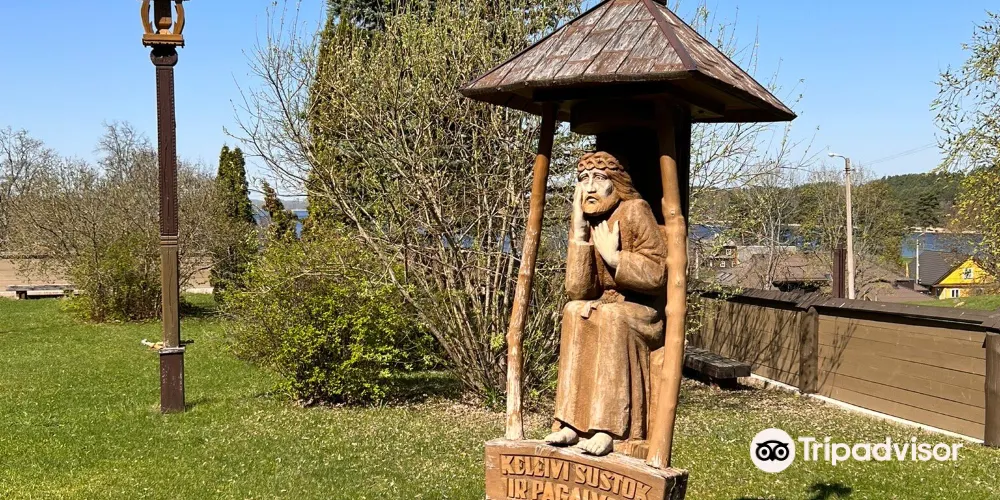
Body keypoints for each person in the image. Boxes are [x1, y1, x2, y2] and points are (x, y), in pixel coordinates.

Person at [544, 151, 667, 456]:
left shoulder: (636, 210)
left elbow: (657, 274)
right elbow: (577, 290)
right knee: (574, 311)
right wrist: (579, 236)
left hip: (642, 311)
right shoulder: (588, 220)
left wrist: (616, 258)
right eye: (583, 179)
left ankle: (608, 428)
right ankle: (572, 423)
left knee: (612, 317)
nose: (589, 187)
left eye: (599, 178)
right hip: (607, 304)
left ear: (616, 182)